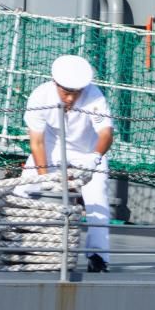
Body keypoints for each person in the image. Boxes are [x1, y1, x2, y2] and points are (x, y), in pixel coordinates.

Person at [20, 55, 114, 273]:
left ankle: (98, 256)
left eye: (76, 93)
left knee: (97, 200)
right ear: (55, 84)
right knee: (23, 191)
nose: (71, 99)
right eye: (66, 92)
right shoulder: (40, 96)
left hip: (87, 153)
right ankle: (19, 243)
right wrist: (45, 180)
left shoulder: (94, 97)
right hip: (51, 149)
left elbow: (106, 133)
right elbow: (37, 142)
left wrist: (95, 158)